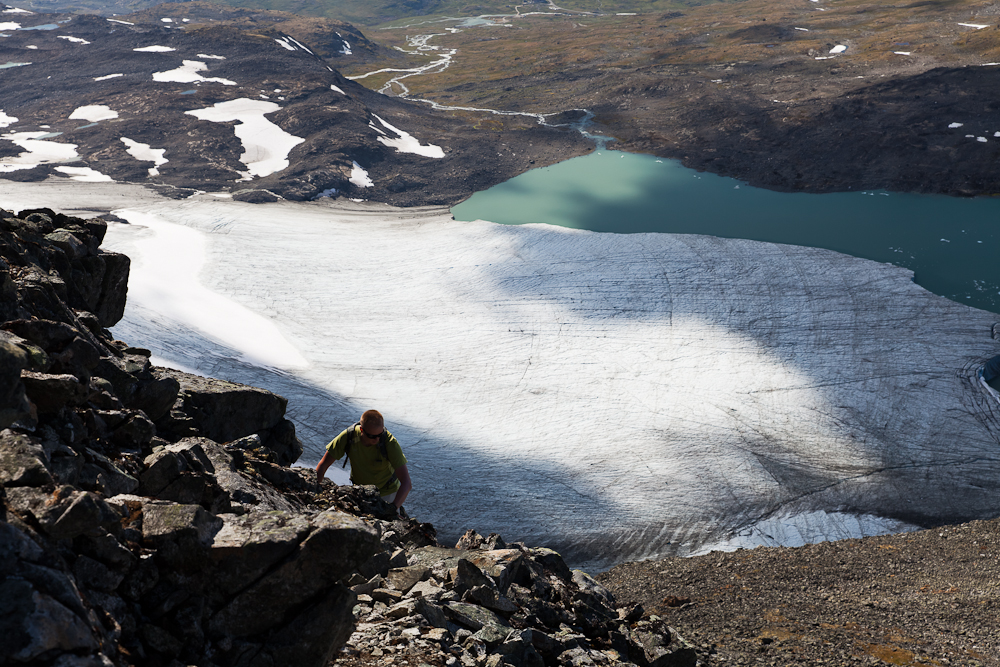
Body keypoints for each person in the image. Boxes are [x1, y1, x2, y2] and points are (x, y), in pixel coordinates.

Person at [315, 409, 412, 511]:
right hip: (360, 492)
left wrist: (393, 508)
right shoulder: (349, 436)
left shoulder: (389, 443)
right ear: (361, 430)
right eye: (372, 436)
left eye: (380, 434)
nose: (377, 439)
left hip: (387, 494)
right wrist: (315, 490)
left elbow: (406, 483)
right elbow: (323, 464)